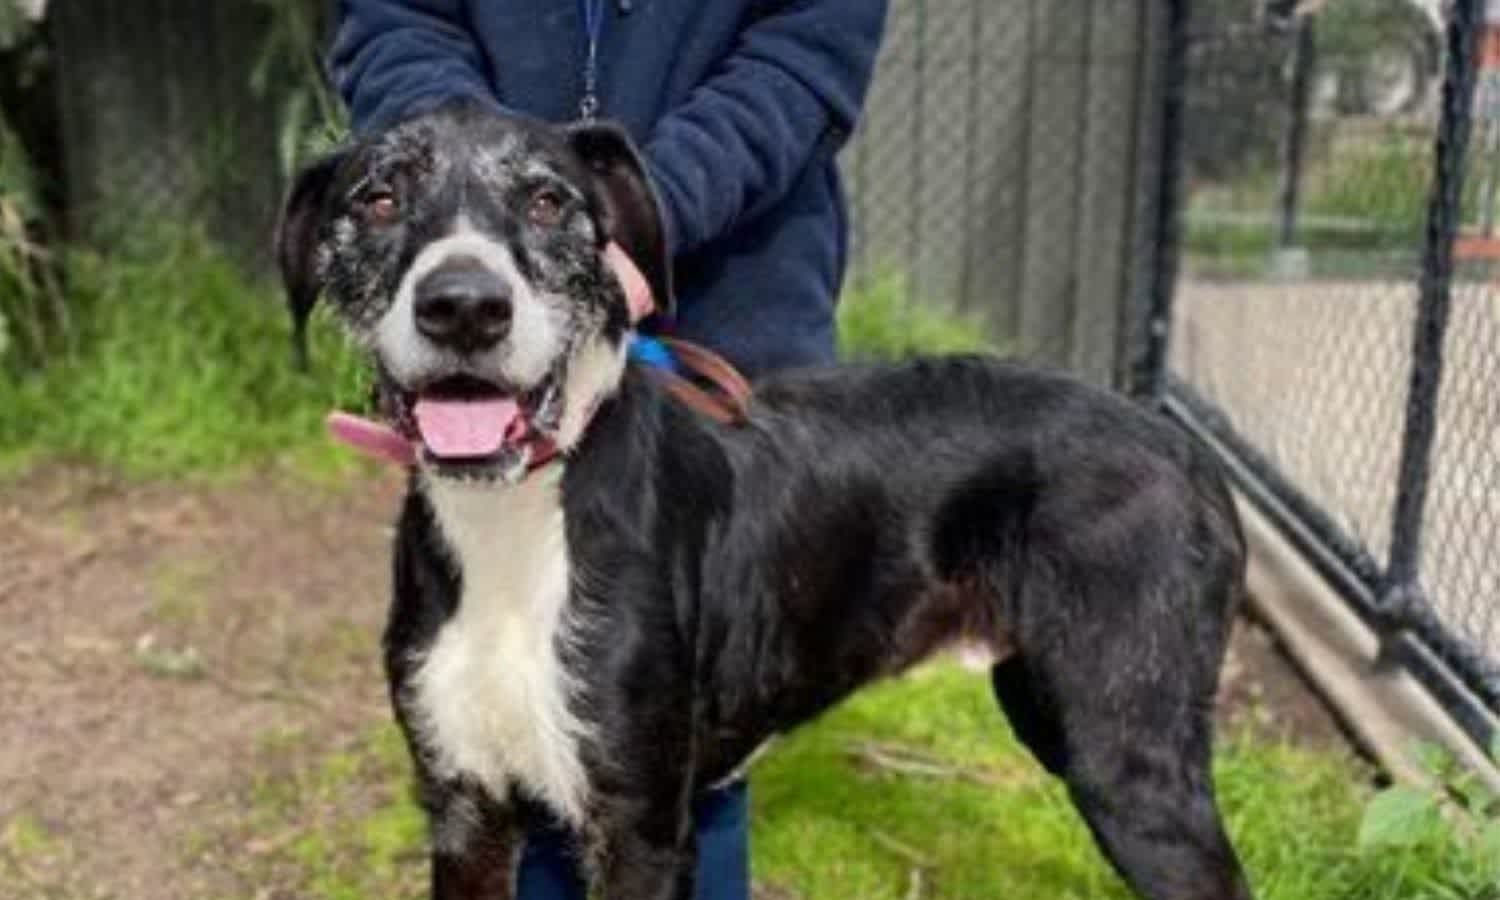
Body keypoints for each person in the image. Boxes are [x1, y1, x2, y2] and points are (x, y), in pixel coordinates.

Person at [328, 1, 889, 897]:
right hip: (480, 289)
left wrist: (625, 213)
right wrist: (474, 188)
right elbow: (395, 19)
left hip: (732, 286)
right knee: (485, 747)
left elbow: (805, 50)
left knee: (680, 770)